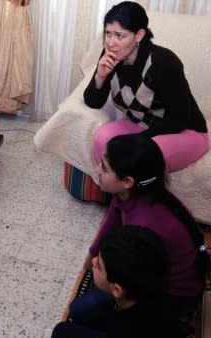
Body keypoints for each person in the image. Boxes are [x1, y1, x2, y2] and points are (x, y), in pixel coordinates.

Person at [70, 133, 207, 327]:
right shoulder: (128, 194)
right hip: (150, 271)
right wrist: (92, 254)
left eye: (105, 168)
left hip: (173, 295)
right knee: (83, 307)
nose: (97, 169)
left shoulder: (147, 225)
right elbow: (111, 223)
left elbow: (137, 283)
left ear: (128, 181)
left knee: (84, 311)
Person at [84, 1, 208, 172]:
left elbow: (179, 119)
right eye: (108, 33)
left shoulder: (163, 62)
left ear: (139, 35)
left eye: (120, 35)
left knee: (143, 154)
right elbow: (93, 102)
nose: (111, 42)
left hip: (185, 131)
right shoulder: (110, 55)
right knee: (102, 138)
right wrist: (100, 76)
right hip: (143, 125)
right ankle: (115, 193)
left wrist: (136, 141)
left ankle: (136, 198)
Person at [52, 225, 184, 338]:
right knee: (80, 308)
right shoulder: (155, 285)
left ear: (117, 290)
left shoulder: (124, 330)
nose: (93, 262)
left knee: (62, 331)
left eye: (98, 265)